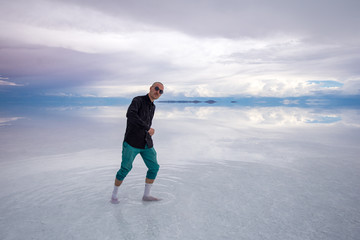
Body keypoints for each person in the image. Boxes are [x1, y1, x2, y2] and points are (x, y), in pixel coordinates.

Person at [111, 82, 164, 203]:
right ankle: (114, 195)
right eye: (157, 89)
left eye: (161, 91)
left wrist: (148, 130)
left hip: (146, 143)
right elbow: (130, 114)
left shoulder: (153, 106)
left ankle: (146, 195)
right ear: (151, 88)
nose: (158, 92)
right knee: (125, 169)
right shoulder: (138, 100)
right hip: (131, 142)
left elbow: (146, 122)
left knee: (154, 167)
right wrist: (147, 128)